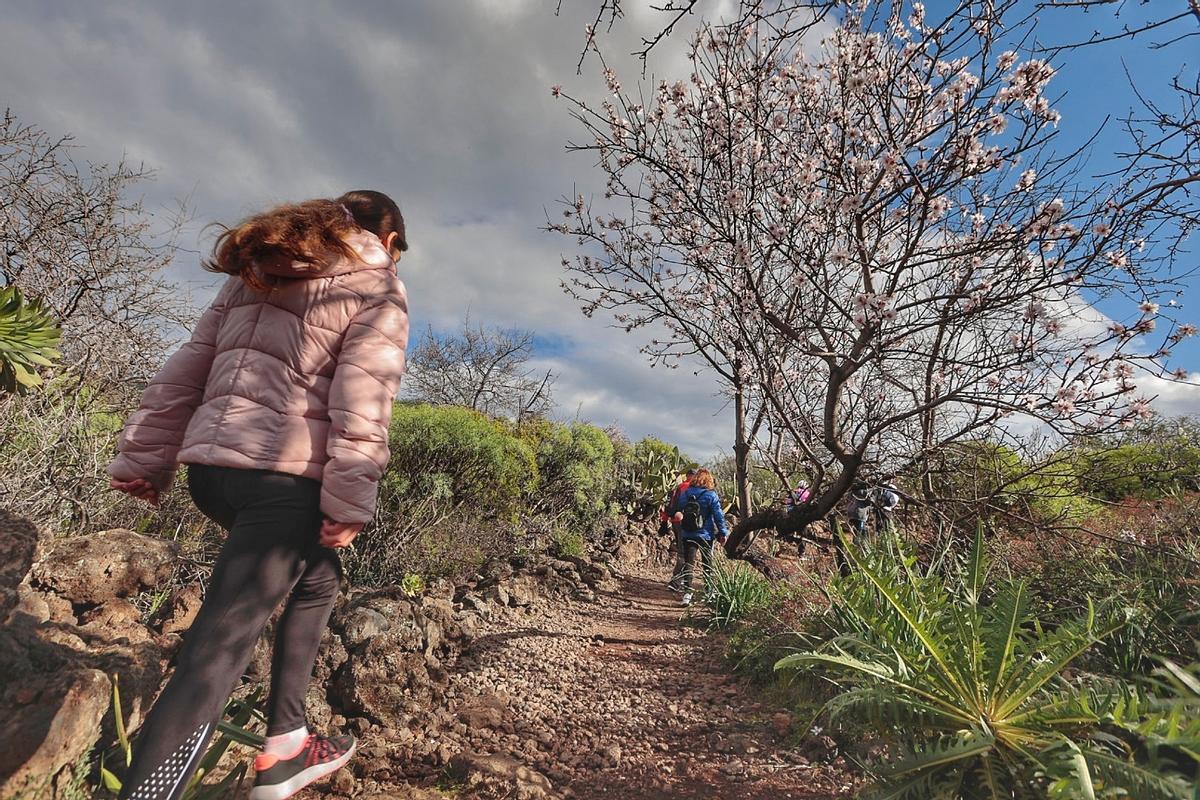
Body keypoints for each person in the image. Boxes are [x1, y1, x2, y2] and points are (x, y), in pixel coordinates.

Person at [107, 191, 409, 800]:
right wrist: (350, 498)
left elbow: (189, 365)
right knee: (217, 648)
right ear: (391, 240)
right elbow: (364, 397)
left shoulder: (257, 272)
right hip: (284, 480)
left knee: (319, 578)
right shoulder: (376, 287)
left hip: (214, 476)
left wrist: (148, 456)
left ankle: (287, 742)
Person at [669, 468, 729, 606]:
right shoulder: (711, 495)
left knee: (689, 563)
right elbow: (718, 516)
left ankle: (687, 594)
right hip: (706, 535)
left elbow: (678, 509)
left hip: (687, 533)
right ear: (708, 480)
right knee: (708, 563)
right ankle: (710, 593)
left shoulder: (686, 493)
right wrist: (723, 532)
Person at [661, 469, 694, 592]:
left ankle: (679, 582)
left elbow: (669, 505)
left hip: (676, 522)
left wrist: (664, 521)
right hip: (689, 524)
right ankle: (677, 583)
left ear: (687, 476)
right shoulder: (696, 489)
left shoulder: (678, 487)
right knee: (686, 553)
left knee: (682, 551)